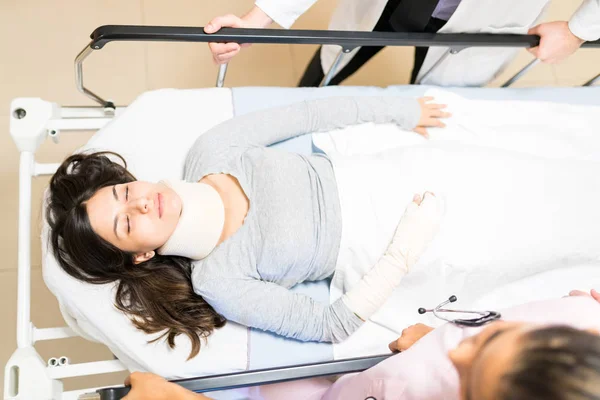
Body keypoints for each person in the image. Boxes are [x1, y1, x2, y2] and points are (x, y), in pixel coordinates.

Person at [47, 96, 448, 359]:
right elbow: (331, 326)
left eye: (125, 191)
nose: (141, 202)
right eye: (129, 221)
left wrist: (400, 111)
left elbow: (309, 114)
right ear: (141, 255)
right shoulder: (219, 282)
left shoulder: (211, 150)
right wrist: (404, 250)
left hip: (397, 170)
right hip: (415, 239)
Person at [121, 293, 600, 400]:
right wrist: (439, 340)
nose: (460, 353)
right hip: (362, 375)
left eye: (471, 386)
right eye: (487, 338)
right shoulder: (581, 317)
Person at [205, 0, 600, 86]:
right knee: (331, 62)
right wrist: (256, 20)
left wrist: (579, 28)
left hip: (483, 19)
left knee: (434, 103)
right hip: (389, 5)